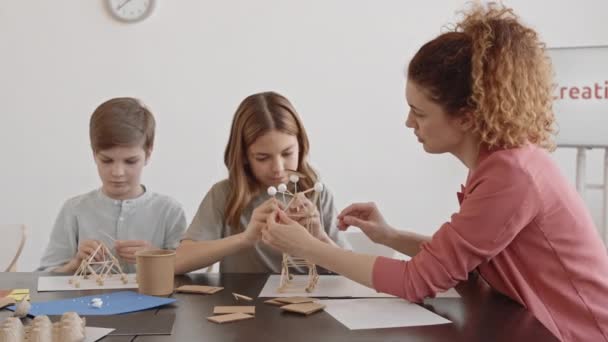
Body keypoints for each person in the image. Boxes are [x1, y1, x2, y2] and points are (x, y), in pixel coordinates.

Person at [261, 4, 608, 341]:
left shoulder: (512, 177)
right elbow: (457, 262)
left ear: (467, 117)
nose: (409, 122)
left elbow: (418, 281)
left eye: (420, 113)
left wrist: (310, 249)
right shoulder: (499, 163)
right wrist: (389, 235)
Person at [175, 91, 349, 274]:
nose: (278, 168)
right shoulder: (225, 195)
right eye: (262, 157)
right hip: (243, 301)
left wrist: (319, 238)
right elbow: (177, 262)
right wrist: (246, 238)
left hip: (312, 300)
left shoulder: (315, 194)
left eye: (287, 153)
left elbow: (353, 271)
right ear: (243, 156)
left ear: (301, 146)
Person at [38, 97, 187, 273]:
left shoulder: (169, 211)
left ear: (148, 154)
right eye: (106, 160)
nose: (117, 172)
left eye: (130, 161)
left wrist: (156, 257)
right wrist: (74, 265)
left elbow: (187, 275)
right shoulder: (74, 210)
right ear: (94, 154)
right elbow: (43, 276)